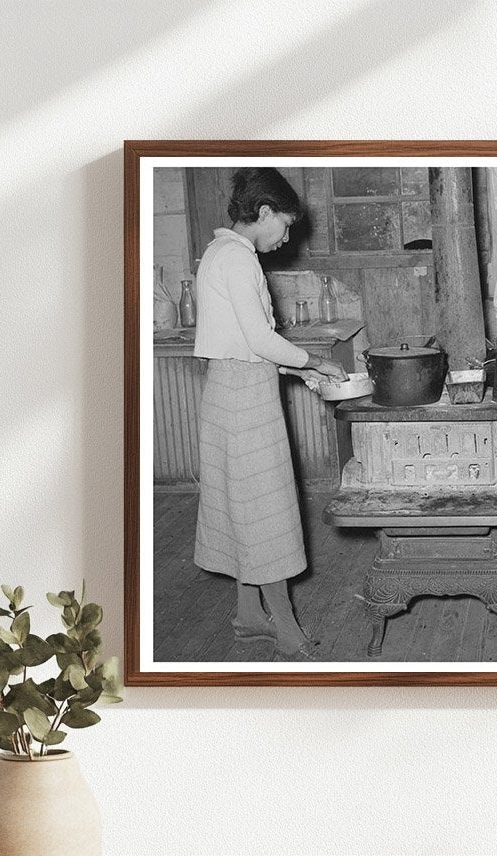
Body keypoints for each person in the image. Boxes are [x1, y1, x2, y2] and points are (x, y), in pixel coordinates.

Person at [192, 168, 346, 660]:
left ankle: (249, 616)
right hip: (245, 402)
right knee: (266, 514)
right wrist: (314, 361)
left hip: (234, 389)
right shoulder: (238, 259)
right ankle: (285, 628)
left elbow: (246, 347)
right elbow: (259, 340)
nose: (286, 237)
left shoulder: (219, 253)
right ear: (263, 213)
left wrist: (301, 372)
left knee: (245, 508)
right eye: (285, 224)